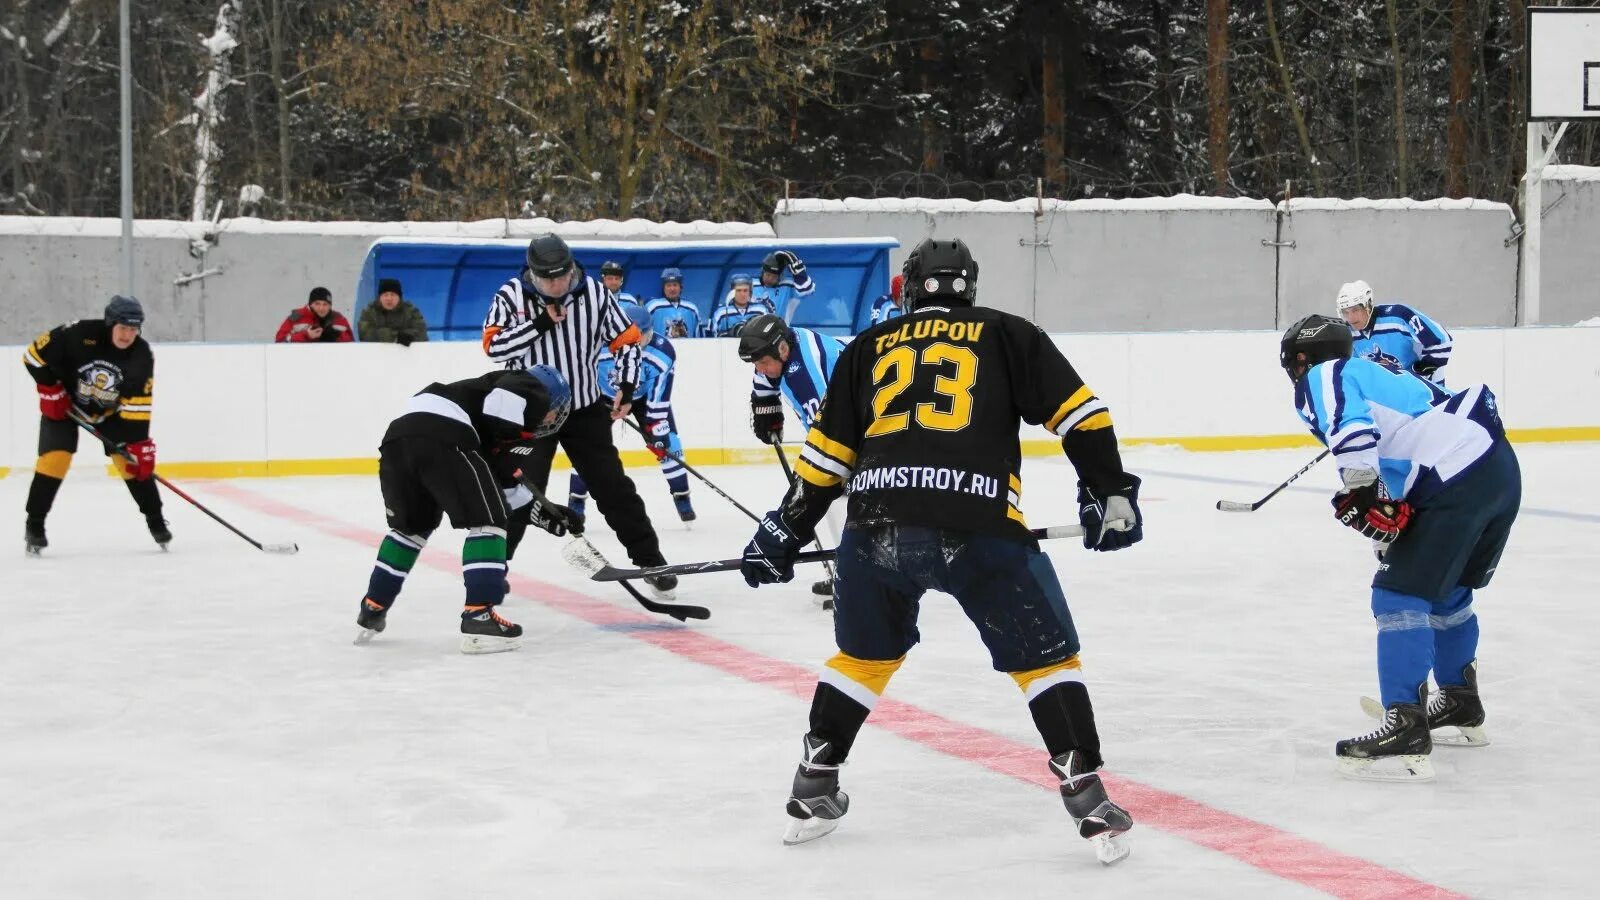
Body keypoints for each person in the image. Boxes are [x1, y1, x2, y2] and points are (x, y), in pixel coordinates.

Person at [739, 238, 1143, 862]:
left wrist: (784, 531)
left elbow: (825, 461)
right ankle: (1086, 795)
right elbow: (1082, 417)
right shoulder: (1008, 333)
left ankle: (815, 780)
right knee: (1044, 661)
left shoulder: (868, 348)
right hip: (977, 522)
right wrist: (1109, 491)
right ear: (968, 287)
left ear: (908, 288)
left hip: (874, 525)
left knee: (863, 657)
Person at [1280, 314, 1519, 783]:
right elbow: (1407, 442)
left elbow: (1351, 430)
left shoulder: (1326, 373)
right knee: (1445, 592)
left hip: (1454, 478)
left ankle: (1406, 724)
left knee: (1397, 596)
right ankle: (1459, 702)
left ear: (1302, 357)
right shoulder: (1384, 368)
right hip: (1497, 470)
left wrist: (1363, 490)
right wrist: (1388, 508)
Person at [481, 233, 677, 597]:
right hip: (529, 415)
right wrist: (541, 323)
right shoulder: (510, 295)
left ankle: (650, 560)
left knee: (613, 487)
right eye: (549, 279)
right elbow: (493, 346)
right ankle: (492, 570)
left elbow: (628, 340)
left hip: (583, 409)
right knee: (521, 491)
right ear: (534, 275)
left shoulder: (594, 293)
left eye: (564, 276)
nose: (558, 285)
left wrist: (627, 386)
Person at [354, 366, 578, 654]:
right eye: (555, 409)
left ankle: (372, 608)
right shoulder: (526, 386)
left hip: (399, 438)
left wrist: (544, 515)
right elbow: (508, 392)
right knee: (489, 522)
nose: (552, 417)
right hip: (444, 435)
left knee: (411, 528)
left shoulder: (479, 413)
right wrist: (510, 434)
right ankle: (479, 617)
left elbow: (503, 488)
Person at [22, 296, 166, 553]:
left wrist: (138, 443)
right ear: (110, 323)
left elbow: (139, 404)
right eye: (123, 327)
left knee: (131, 463)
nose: (127, 335)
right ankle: (34, 525)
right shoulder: (79, 334)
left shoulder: (141, 355)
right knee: (55, 458)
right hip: (65, 407)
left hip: (110, 414)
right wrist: (50, 388)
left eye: (133, 329)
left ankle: (156, 520)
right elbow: (33, 356)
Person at [739, 312, 846, 602]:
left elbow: (832, 445)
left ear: (782, 350)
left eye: (763, 363)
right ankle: (851, 570)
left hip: (868, 437)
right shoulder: (787, 341)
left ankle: (852, 576)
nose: (760, 369)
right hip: (855, 426)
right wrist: (765, 403)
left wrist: (794, 517)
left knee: (842, 498)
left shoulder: (806, 376)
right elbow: (764, 378)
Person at [569, 303, 695, 524]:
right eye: (633, 335)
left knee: (668, 443)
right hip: (604, 397)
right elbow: (582, 376)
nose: (638, 340)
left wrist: (656, 426)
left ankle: (681, 494)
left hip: (644, 398)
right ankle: (576, 498)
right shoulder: (599, 347)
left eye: (643, 334)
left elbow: (660, 392)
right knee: (589, 447)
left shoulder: (663, 352)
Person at [1335, 280, 1452, 383]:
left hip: (1426, 396)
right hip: (1391, 400)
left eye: (1356, 310)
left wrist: (1421, 370)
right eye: (1345, 312)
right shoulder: (1349, 332)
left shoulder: (1399, 317)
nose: (1350, 318)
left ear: (1368, 305)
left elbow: (1441, 340)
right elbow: (1355, 371)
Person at [358, 278, 430, 345]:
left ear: (399, 297)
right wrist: (396, 337)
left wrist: (407, 336)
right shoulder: (369, 311)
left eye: (393, 295)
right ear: (379, 297)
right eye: (385, 295)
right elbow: (365, 334)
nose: (389, 298)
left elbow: (421, 333)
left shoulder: (411, 311)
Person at [276, 286, 354, 343]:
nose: (321, 308)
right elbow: (280, 341)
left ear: (330, 306)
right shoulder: (297, 317)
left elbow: (353, 344)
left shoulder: (339, 319)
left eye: (325, 304)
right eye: (317, 304)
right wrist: (306, 335)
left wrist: (336, 336)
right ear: (310, 304)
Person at [752, 250, 815, 320]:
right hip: (752, 329)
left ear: (780, 276)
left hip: (780, 329)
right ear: (762, 272)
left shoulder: (787, 285)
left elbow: (807, 290)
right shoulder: (750, 285)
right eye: (767, 275)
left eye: (774, 277)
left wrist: (797, 269)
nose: (770, 279)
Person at [645, 268, 703, 339]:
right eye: (668, 285)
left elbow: (699, 338)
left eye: (675, 285)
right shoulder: (652, 307)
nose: (672, 289)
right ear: (663, 288)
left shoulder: (692, 309)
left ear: (681, 287)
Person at [711, 273, 776, 336]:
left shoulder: (761, 310)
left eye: (745, 290)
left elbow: (769, 332)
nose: (742, 294)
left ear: (750, 292)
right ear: (732, 292)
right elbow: (713, 338)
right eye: (738, 290)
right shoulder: (721, 312)